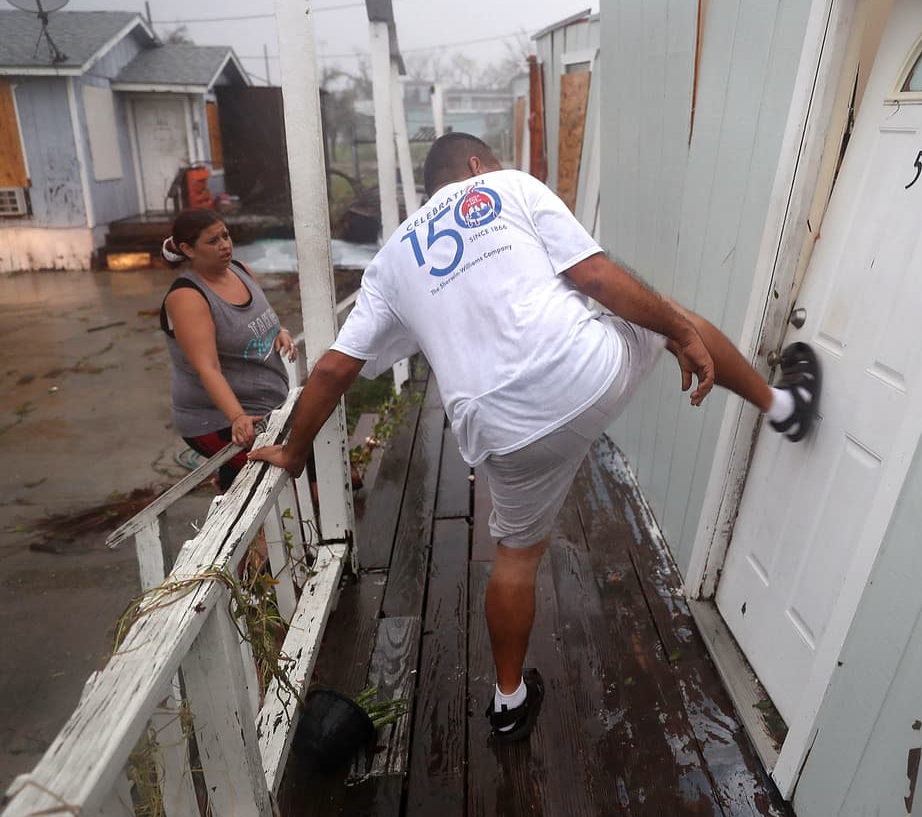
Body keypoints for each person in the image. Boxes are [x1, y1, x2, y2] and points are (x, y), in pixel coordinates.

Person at [249, 133, 821, 742]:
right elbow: (596, 276)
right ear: (476, 167)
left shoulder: (391, 260)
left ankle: (508, 701)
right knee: (675, 320)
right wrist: (678, 331)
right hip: (582, 374)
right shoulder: (510, 186)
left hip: (498, 430)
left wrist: (293, 449)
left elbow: (336, 368)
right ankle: (781, 405)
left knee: (517, 556)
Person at [160, 209, 297, 492]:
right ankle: (229, 484)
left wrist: (279, 332)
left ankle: (228, 480)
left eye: (226, 235)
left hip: (269, 405)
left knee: (341, 477)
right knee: (290, 489)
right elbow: (207, 368)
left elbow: (261, 317)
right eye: (212, 241)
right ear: (187, 249)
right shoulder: (188, 297)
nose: (225, 245)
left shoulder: (240, 270)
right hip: (218, 420)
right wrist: (237, 417)